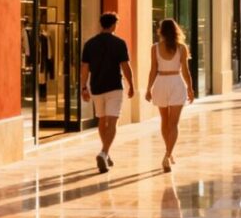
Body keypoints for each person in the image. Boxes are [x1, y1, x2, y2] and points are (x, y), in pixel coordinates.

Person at [80, 12, 135, 174]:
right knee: (112, 122)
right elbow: (125, 67)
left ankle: (106, 152)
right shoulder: (119, 43)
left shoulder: (89, 44)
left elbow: (85, 69)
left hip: (96, 88)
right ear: (113, 25)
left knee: (102, 120)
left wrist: (84, 87)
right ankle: (104, 152)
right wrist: (131, 84)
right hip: (114, 87)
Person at [145, 19, 195, 172]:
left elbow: (153, 69)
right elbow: (185, 71)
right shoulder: (182, 48)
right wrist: (190, 89)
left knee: (164, 121)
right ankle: (168, 154)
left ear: (161, 31)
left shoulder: (155, 48)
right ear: (176, 30)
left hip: (161, 82)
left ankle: (168, 153)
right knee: (173, 124)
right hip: (176, 83)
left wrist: (148, 88)